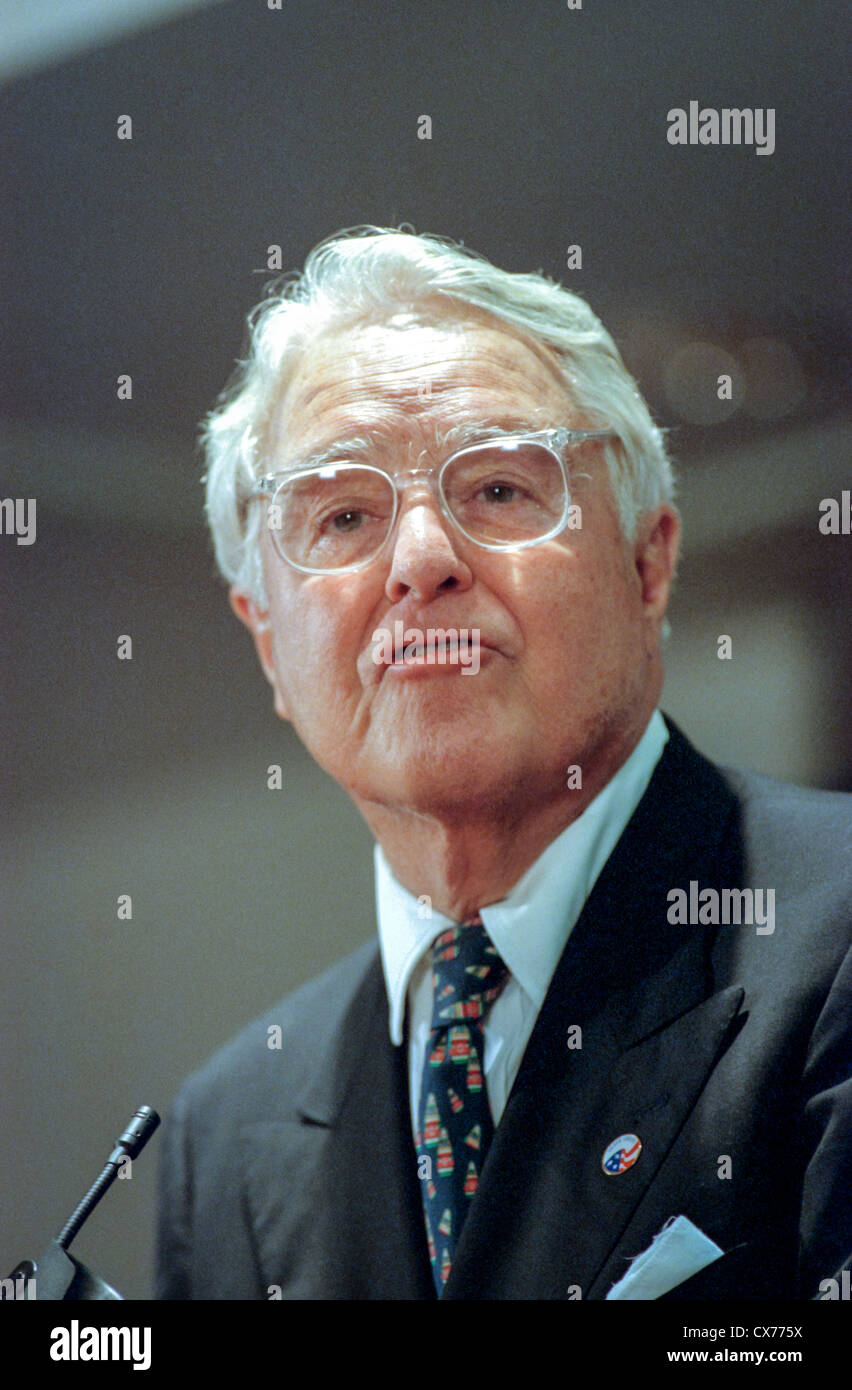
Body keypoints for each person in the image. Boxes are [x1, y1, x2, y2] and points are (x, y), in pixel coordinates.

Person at [155, 226, 851, 1300]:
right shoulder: (224, 1128)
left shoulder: (835, 938)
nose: (422, 561)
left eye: (497, 489)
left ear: (647, 560)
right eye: (343, 514)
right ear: (267, 643)